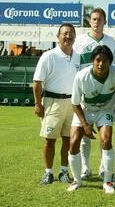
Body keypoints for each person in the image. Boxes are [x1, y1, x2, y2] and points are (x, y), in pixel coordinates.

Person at [67, 45, 115, 193]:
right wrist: (85, 124)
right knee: (74, 142)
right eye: (98, 60)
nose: (101, 64)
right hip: (84, 110)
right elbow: (75, 103)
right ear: (92, 61)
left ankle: (107, 182)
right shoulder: (81, 76)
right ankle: (76, 180)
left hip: (104, 110)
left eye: (105, 61)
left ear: (111, 62)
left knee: (106, 140)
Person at [33, 23, 80, 185]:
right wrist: (37, 104)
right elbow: (37, 83)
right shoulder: (48, 55)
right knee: (49, 139)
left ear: (75, 36)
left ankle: (63, 171)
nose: (68, 36)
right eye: (65, 33)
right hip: (52, 101)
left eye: (71, 33)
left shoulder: (78, 56)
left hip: (72, 103)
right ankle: (48, 172)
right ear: (58, 36)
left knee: (69, 139)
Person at [73, 7, 115, 180]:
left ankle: (102, 168)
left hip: (105, 95)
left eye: (100, 19)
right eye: (94, 19)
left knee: (105, 134)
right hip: (85, 92)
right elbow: (75, 64)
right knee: (83, 134)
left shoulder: (112, 42)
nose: (97, 22)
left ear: (105, 22)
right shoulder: (80, 41)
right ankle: (85, 167)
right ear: (90, 22)